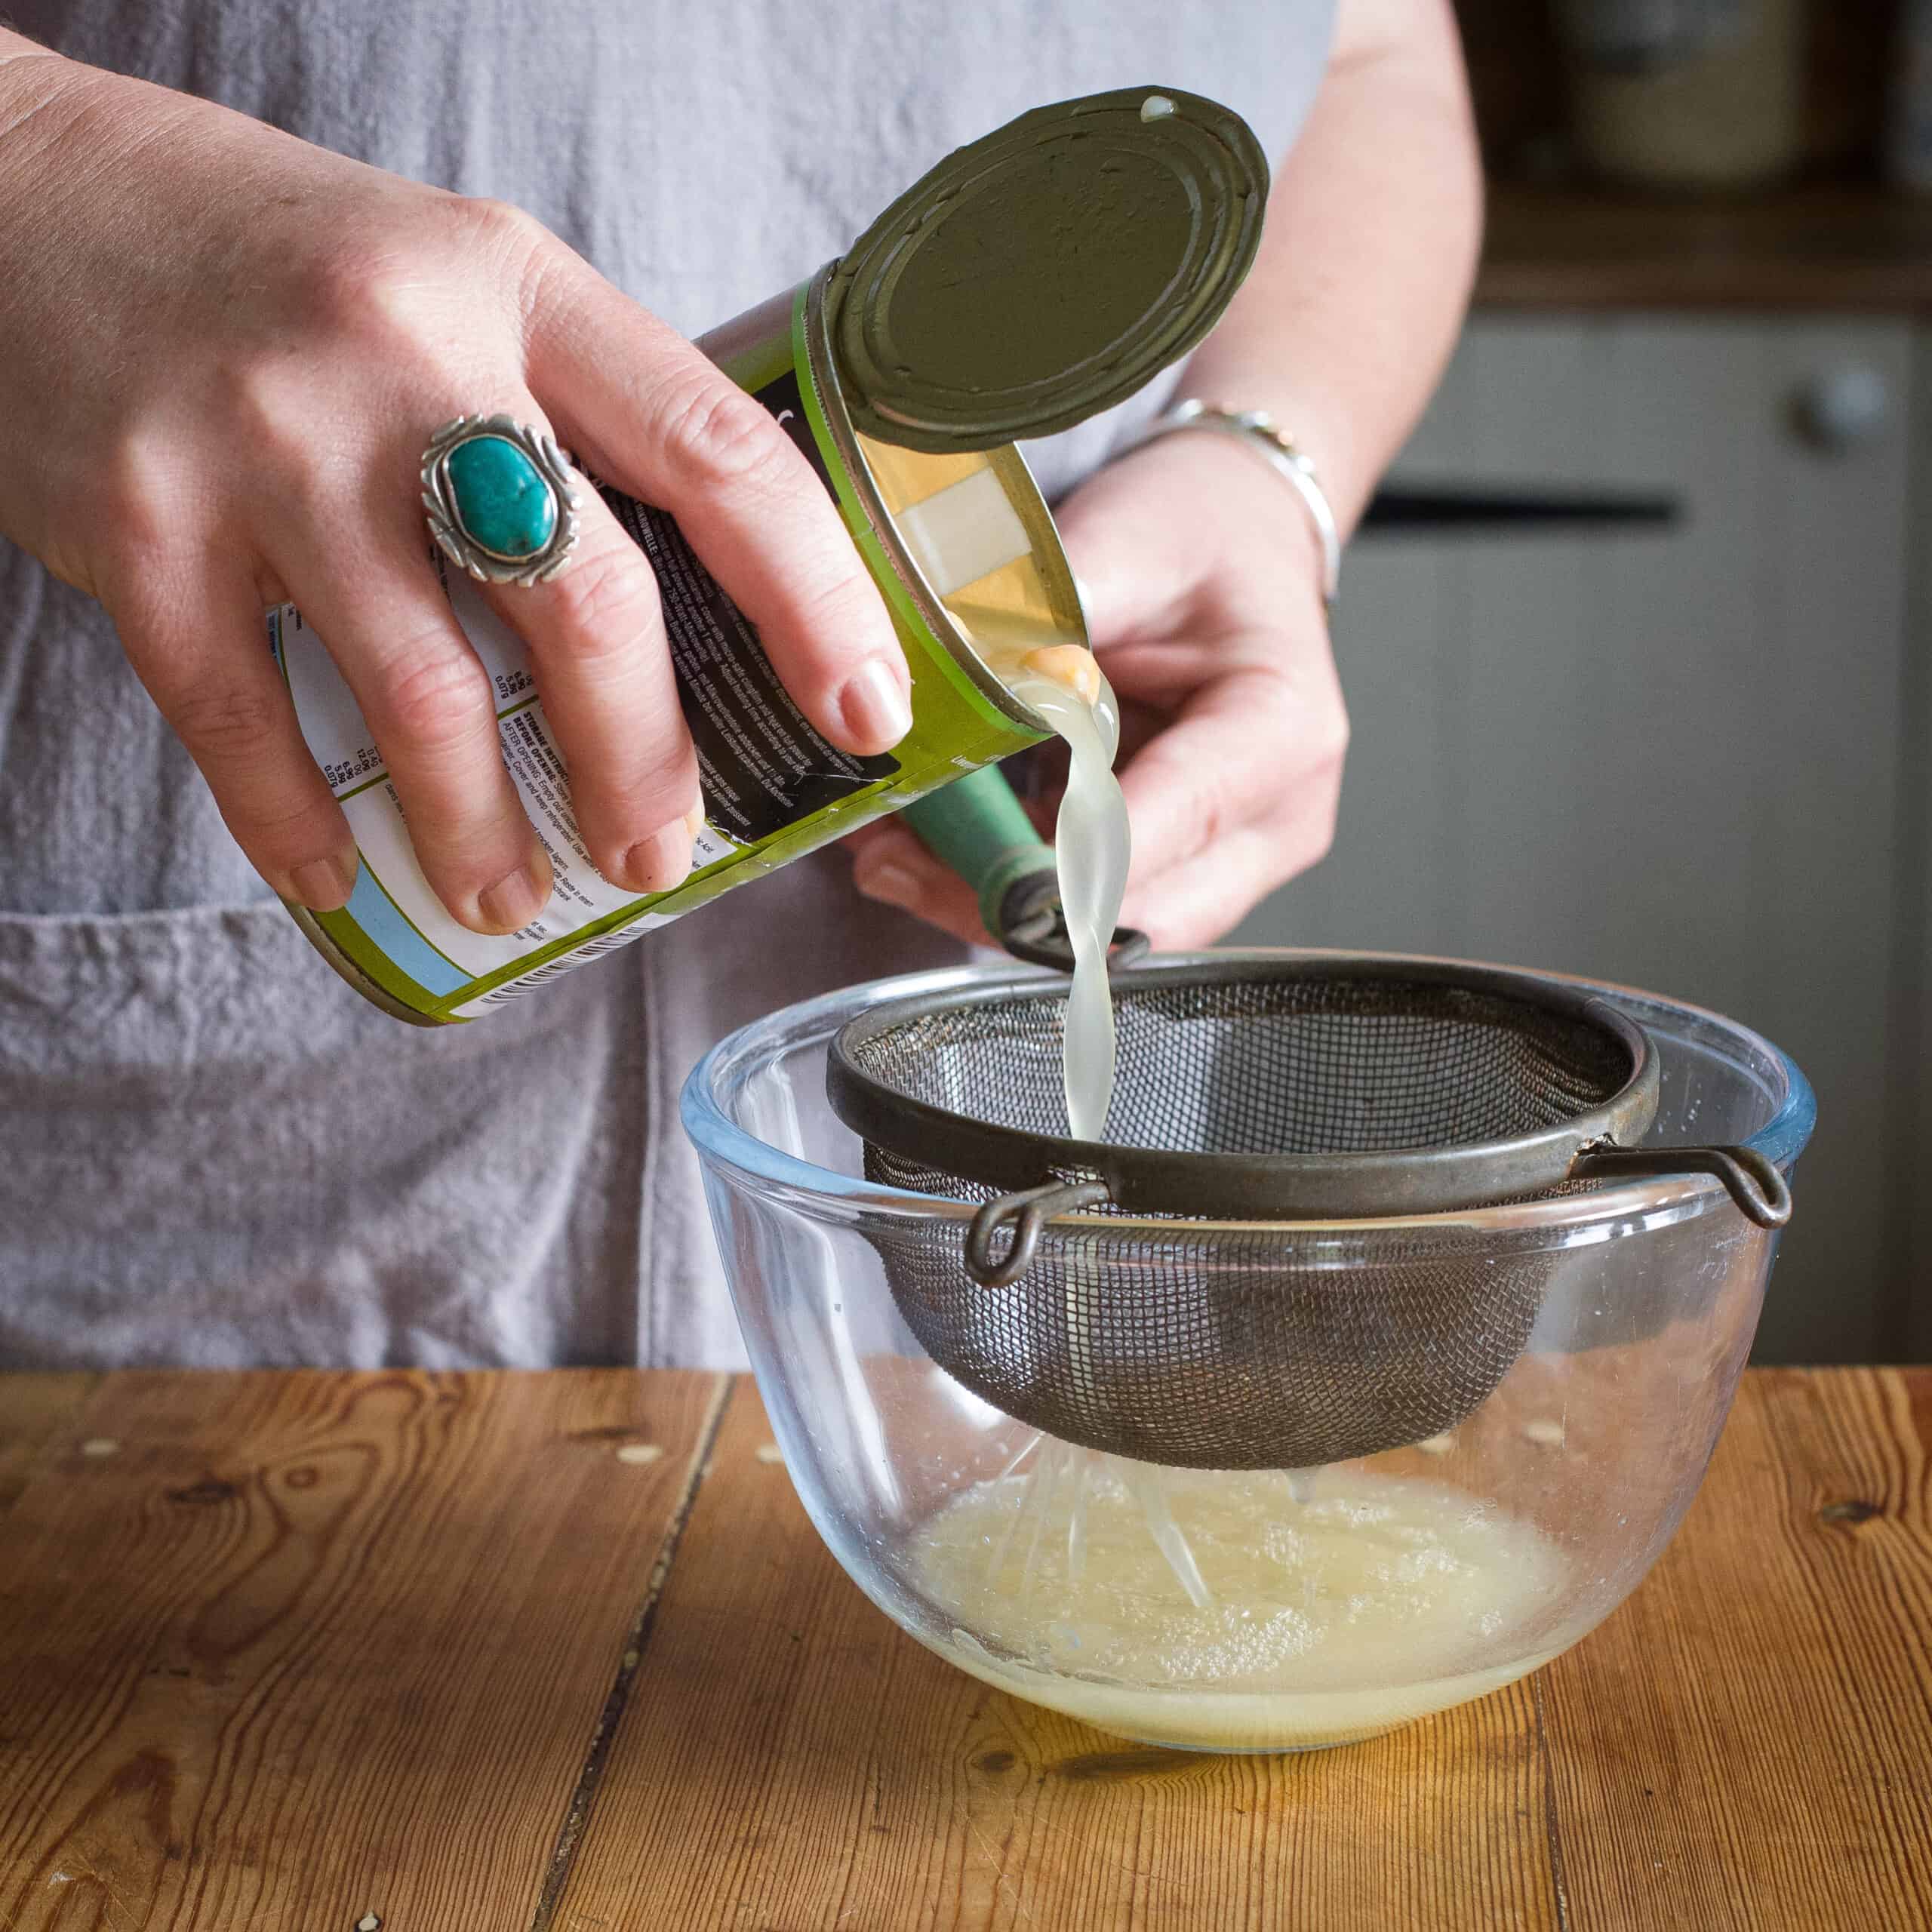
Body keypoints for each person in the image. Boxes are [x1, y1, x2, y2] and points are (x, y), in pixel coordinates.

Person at [0, 1, 1481, 1367]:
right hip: (166, 1313)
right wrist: (45, 157)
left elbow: (1371, 58)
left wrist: (1262, 458)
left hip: (929, 1273)